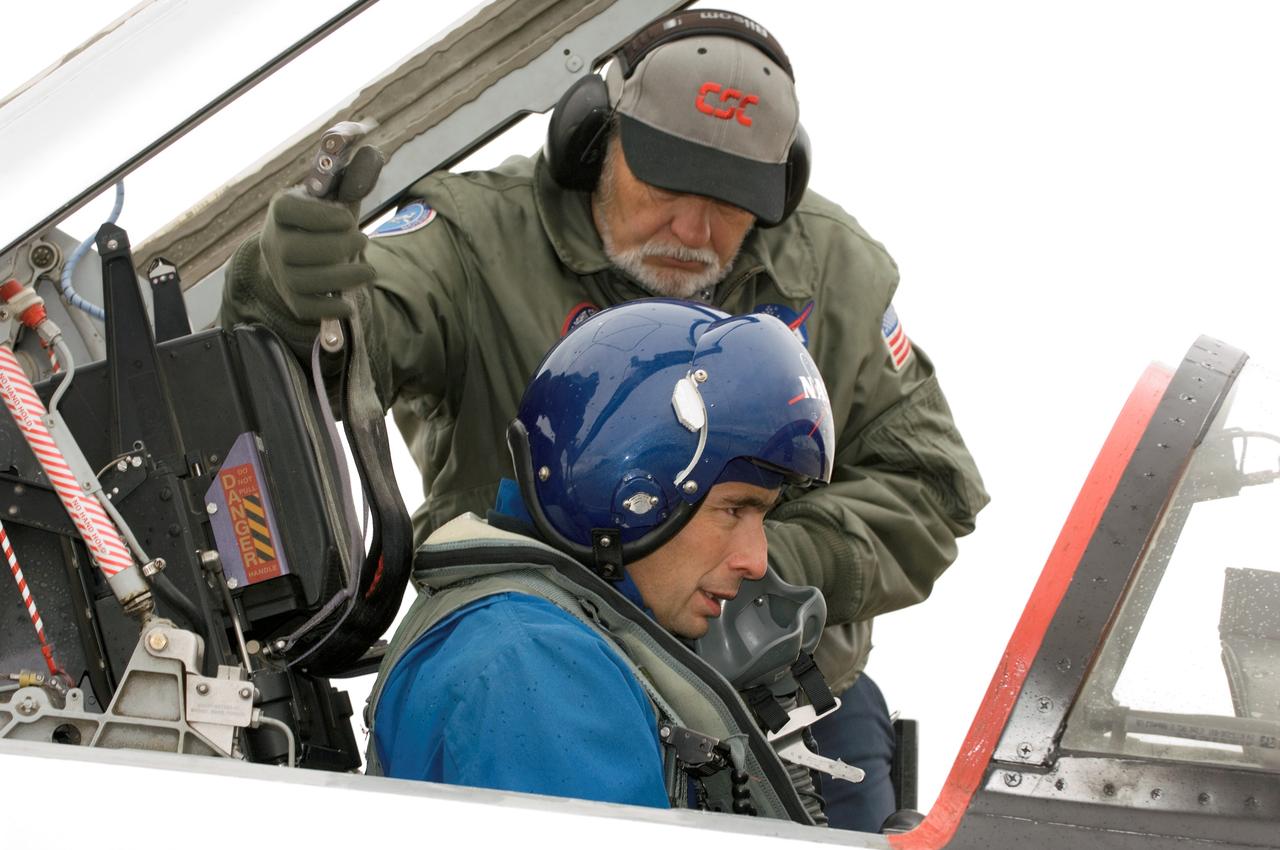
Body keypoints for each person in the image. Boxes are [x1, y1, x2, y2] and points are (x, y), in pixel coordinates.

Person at [220, 9, 988, 831]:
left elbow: (931, 487)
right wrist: (287, 295)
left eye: (730, 204)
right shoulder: (474, 241)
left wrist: (749, 566)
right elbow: (354, 327)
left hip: (785, 696)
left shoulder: (830, 269)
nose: (693, 232)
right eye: (667, 184)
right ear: (593, 138)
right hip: (546, 669)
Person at [365, 299, 836, 819]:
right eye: (733, 509)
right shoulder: (534, 666)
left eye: (763, 517)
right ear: (628, 487)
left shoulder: (546, 633)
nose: (755, 559)